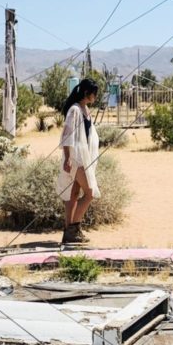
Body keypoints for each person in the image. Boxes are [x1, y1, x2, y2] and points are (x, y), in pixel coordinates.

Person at [57, 78, 100, 245]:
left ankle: (69, 233)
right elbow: (67, 134)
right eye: (94, 94)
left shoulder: (85, 109)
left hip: (85, 156)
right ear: (86, 93)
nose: (95, 97)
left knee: (74, 194)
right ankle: (73, 228)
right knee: (89, 193)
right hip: (76, 158)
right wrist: (67, 158)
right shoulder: (75, 110)